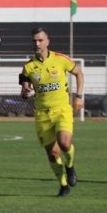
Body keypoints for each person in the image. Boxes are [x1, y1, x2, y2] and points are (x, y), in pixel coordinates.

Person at [19, 27, 84, 197]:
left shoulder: (61, 59)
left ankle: (70, 167)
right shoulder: (28, 67)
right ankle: (63, 186)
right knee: (53, 153)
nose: (37, 43)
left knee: (64, 143)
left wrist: (79, 96)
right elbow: (25, 89)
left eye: (40, 40)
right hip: (42, 114)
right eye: (34, 41)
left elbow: (79, 73)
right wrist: (25, 92)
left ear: (47, 42)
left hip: (62, 109)